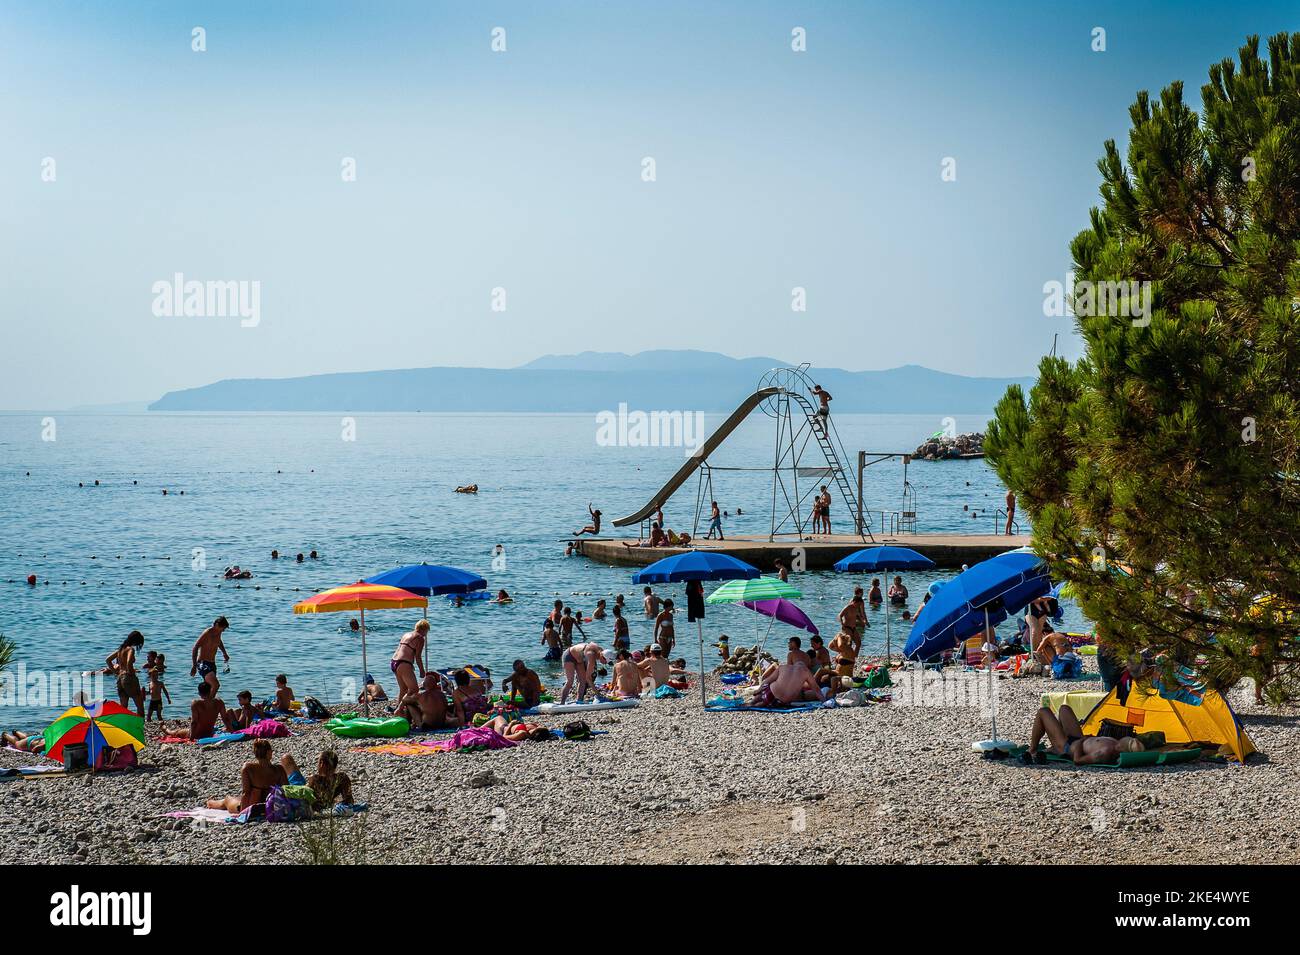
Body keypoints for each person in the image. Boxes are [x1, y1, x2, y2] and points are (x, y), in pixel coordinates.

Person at [1026, 705, 1145, 765]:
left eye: (1129, 741)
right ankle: (1053, 745)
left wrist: (1080, 743)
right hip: (1078, 739)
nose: (1128, 738)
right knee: (1064, 708)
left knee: (1043, 711)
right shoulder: (1115, 744)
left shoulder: (1104, 753)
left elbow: (1078, 760)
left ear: (1123, 749)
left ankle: (1032, 749)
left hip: (1067, 747)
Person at [206, 739, 288, 815]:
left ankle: (210, 802)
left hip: (252, 807)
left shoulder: (249, 768)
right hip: (272, 806)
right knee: (235, 798)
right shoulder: (279, 769)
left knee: (227, 800)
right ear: (269, 752)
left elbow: (246, 792)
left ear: (255, 754)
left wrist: (243, 812)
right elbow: (287, 790)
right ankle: (211, 802)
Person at [106, 630, 146, 717]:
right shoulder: (130, 649)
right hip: (128, 678)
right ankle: (140, 726)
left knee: (123, 707)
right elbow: (128, 662)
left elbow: (108, 660)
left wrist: (115, 672)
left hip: (120, 678)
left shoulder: (120, 650)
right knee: (140, 705)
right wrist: (131, 673)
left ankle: (124, 727)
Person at [754, 660, 825, 706]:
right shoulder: (806, 671)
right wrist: (824, 701)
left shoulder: (783, 667)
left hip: (770, 694)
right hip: (782, 703)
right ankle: (758, 704)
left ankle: (751, 703)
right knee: (767, 702)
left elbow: (767, 681)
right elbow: (816, 689)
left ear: (794, 665)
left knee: (764, 692)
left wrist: (759, 690)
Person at [390, 619, 430, 703]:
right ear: (425, 629)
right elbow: (418, 657)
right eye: (427, 631)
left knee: (403, 689)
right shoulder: (420, 638)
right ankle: (400, 709)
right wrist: (422, 671)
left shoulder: (406, 634)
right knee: (414, 689)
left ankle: (399, 708)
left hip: (394, 662)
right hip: (404, 663)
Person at [191, 616, 231, 694]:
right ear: (217, 625)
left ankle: (207, 703)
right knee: (215, 685)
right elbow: (195, 648)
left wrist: (224, 653)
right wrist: (194, 665)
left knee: (209, 688)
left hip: (212, 663)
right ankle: (209, 703)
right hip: (203, 663)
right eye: (223, 628)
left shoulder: (218, 633)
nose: (223, 630)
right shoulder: (207, 633)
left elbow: (219, 641)